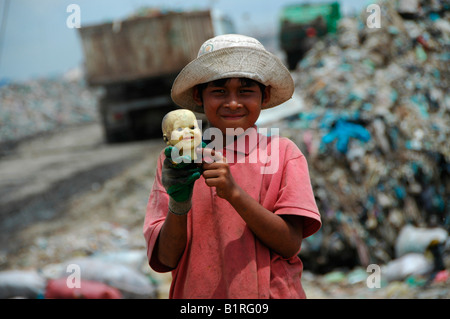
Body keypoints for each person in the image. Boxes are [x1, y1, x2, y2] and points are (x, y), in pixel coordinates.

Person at [143, 34, 321, 299]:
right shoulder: (177, 162)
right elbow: (166, 259)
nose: (233, 102)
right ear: (198, 95)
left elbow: (290, 243)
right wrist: (179, 205)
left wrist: (234, 193)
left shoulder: (283, 155)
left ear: (265, 95)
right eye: (219, 91)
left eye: (246, 91)